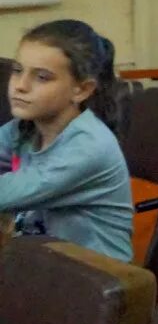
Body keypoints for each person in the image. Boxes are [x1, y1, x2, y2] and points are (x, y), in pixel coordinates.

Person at [0, 20, 132, 261]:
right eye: (18, 70)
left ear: (81, 90)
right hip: (42, 265)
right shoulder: (25, 128)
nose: (20, 86)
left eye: (41, 77)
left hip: (98, 283)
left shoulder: (90, 148)